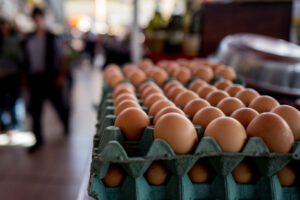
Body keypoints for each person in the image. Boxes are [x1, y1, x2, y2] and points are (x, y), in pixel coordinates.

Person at [22, 8, 69, 152]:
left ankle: (66, 124)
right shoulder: (28, 39)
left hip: (50, 77)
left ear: (43, 19)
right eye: (35, 19)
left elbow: (62, 58)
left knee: (59, 105)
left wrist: (60, 76)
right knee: (35, 111)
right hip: (35, 79)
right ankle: (38, 139)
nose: (37, 21)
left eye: (39, 18)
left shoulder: (52, 37)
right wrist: (25, 80)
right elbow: (25, 61)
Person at [0, 18, 22, 131]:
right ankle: (4, 124)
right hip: (2, 75)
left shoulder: (16, 39)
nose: (4, 27)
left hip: (13, 74)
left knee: (15, 100)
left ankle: (15, 124)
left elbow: (21, 56)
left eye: (5, 24)